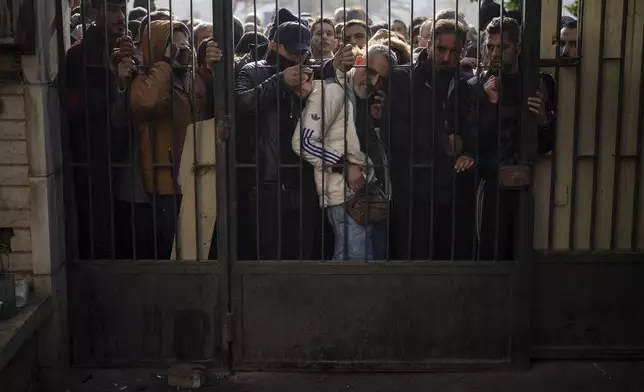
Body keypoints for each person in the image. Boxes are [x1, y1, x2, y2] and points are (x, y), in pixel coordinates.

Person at [384, 17, 477, 260]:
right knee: (415, 257)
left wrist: (469, 151)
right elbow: (393, 130)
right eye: (441, 49)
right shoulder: (403, 80)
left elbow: (478, 126)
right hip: (415, 189)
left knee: (453, 259)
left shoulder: (468, 82)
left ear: (463, 50)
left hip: (455, 191)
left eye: (453, 51)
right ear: (427, 44)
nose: (446, 57)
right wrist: (440, 143)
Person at [130, 20, 221, 259]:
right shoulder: (146, 79)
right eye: (176, 46)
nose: (184, 50)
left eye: (186, 45)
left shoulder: (191, 79)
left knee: (198, 248)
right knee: (173, 248)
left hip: (195, 173)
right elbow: (146, 103)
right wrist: (165, 63)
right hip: (166, 181)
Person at [466, 17, 555, 260]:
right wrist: (489, 104)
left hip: (530, 183)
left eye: (502, 47)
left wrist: (544, 121)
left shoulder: (539, 83)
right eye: (490, 46)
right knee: (491, 255)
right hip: (492, 183)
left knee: (525, 253)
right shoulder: (477, 85)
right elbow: (473, 141)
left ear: (518, 47)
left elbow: (549, 143)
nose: (494, 53)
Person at [66, 0, 128, 259]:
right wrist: (113, 80)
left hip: (128, 157)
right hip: (93, 160)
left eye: (122, 9)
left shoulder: (127, 52)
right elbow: (73, 108)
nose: (121, 16)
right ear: (93, 12)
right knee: (99, 233)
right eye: (113, 9)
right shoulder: (79, 56)